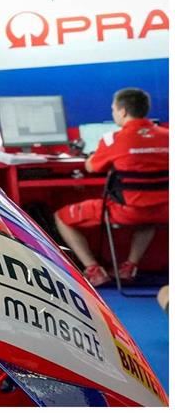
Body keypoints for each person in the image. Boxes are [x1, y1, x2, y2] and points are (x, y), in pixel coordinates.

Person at [53, 88, 169, 287]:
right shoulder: (168, 136)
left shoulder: (112, 139)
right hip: (164, 210)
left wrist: (92, 157)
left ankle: (94, 270)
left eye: (113, 109)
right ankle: (129, 267)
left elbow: (91, 167)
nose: (113, 113)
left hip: (127, 211)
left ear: (123, 111)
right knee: (148, 217)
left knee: (61, 217)